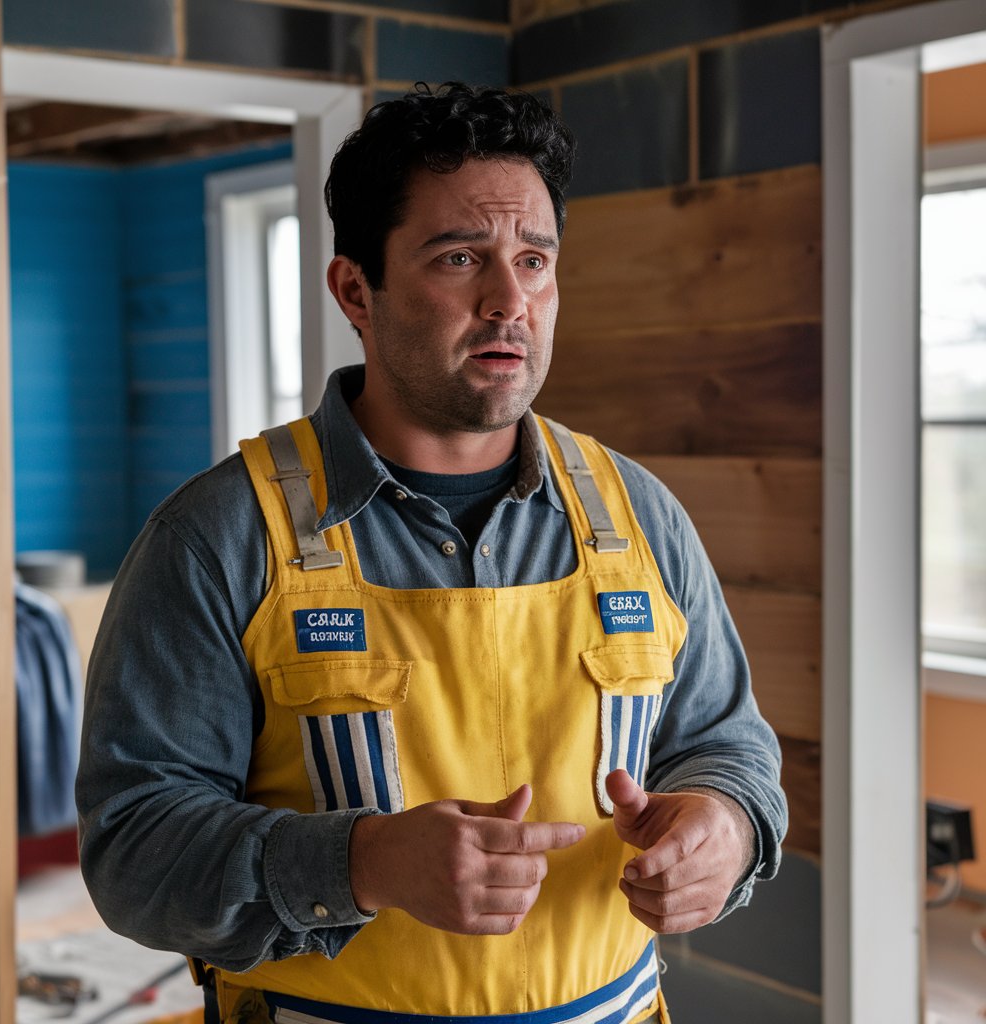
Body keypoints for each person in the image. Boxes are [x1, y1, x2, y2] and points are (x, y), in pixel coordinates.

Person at [77, 82, 787, 1024]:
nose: (510, 301)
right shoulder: (218, 537)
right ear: (354, 291)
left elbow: (727, 745)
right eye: (461, 258)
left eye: (534, 260)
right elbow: (134, 852)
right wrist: (359, 863)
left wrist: (727, 828)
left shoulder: (641, 517)